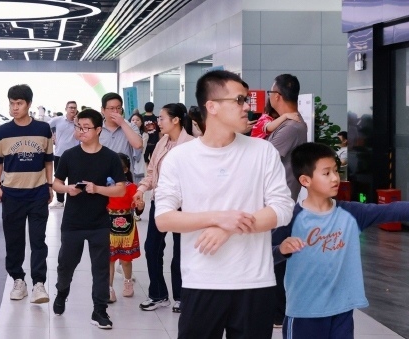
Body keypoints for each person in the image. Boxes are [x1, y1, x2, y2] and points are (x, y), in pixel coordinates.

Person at [154, 70, 294, 339]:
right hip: (201, 280)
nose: (247, 107)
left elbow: (282, 208)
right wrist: (219, 218)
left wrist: (229, 227)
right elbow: (164, 219)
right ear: (212, 106)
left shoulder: (262, 151)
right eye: (239, 100)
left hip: (254, 282)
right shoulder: (180, 158)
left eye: (246, 100)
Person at [273, 142, 409, 338]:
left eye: (336, 171)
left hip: (342, 311)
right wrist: (282, 249)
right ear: (305, 180)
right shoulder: (290, 218)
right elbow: (267, 256)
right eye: (326, 173)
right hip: (304, 313)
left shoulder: (350, 213)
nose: (335, 178)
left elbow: (391, 210)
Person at [51, 108, 127, 329]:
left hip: (99, 222)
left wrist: (97, 189)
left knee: (100, 268)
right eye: (78, 127)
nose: (81, 131)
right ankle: (61, 292)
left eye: (86, 128)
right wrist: (68, 189)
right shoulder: (69, 155)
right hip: (72, 222)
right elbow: (56, 183)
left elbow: (121, 189)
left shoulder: (110, 157)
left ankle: (99, 310)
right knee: (66, 265)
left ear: (98, 130)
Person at [0, 84, 54, 304]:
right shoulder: (3, 131)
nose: (14, 107)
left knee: (38, 240)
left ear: (29, 104)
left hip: (37, 193)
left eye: (19, 103)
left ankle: (39, 283)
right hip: (11, 194)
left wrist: (49, 185)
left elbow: (48, 160)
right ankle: (18, 280)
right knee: (14, 241)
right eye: (12, 103)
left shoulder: (43, 129)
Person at [134, 103, 194, 314]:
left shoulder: (192, 145)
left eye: (162, 118)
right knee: (152, 247)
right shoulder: (162, 142)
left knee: (180, 251)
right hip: (159, 202)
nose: (157, 122)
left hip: (183, 206)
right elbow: (151, 172)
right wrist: (141, 189)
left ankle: (181, 297)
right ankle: (158, 294)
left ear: (176, 120)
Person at [266, 73, 308, 327]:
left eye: (271, 92)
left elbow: (265, 156)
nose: (269, 97)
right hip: (276, 201)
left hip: (279, 203)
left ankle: (277, 313)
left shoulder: (292, 127)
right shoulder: (289, 122)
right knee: (273, 256)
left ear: (278, 96)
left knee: (275, 259)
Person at [108, 153, 143, 303]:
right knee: (109, 259)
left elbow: (139, 209)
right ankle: (108, 288)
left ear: (125, 170)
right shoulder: (105, 188)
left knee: (126, 259)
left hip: (127, 228)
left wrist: (140, 206)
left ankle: (127, 282)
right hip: (108, 226)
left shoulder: (132, 187)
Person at [48, 101, 79, 208]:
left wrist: (76, 123)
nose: (73, 109)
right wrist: (51, 136)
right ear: (66, 109)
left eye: (74, 108)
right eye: (70, 107)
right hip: (59, 154)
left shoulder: (79, 122)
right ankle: (60, 201)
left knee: (74, 178)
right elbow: (46, 126)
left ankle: (74, 200)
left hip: (75, 155)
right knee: (59, 178)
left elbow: (81, 134)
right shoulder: (58, 120)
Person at [99, 93, 143, 160]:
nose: (116, 111)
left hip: (125, 166)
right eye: (111, 108)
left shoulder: (131, 126)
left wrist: (122, 123)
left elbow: (138, 145)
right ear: (103, 110)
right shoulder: (97, 128)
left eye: (118, 108)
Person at [128, 113, 149, 183]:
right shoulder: (126, 134)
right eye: (133, 120)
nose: (135, 121)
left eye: (137, 120)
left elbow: (141, 148)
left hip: (139, 162)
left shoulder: (144, 135)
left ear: (141, 122)